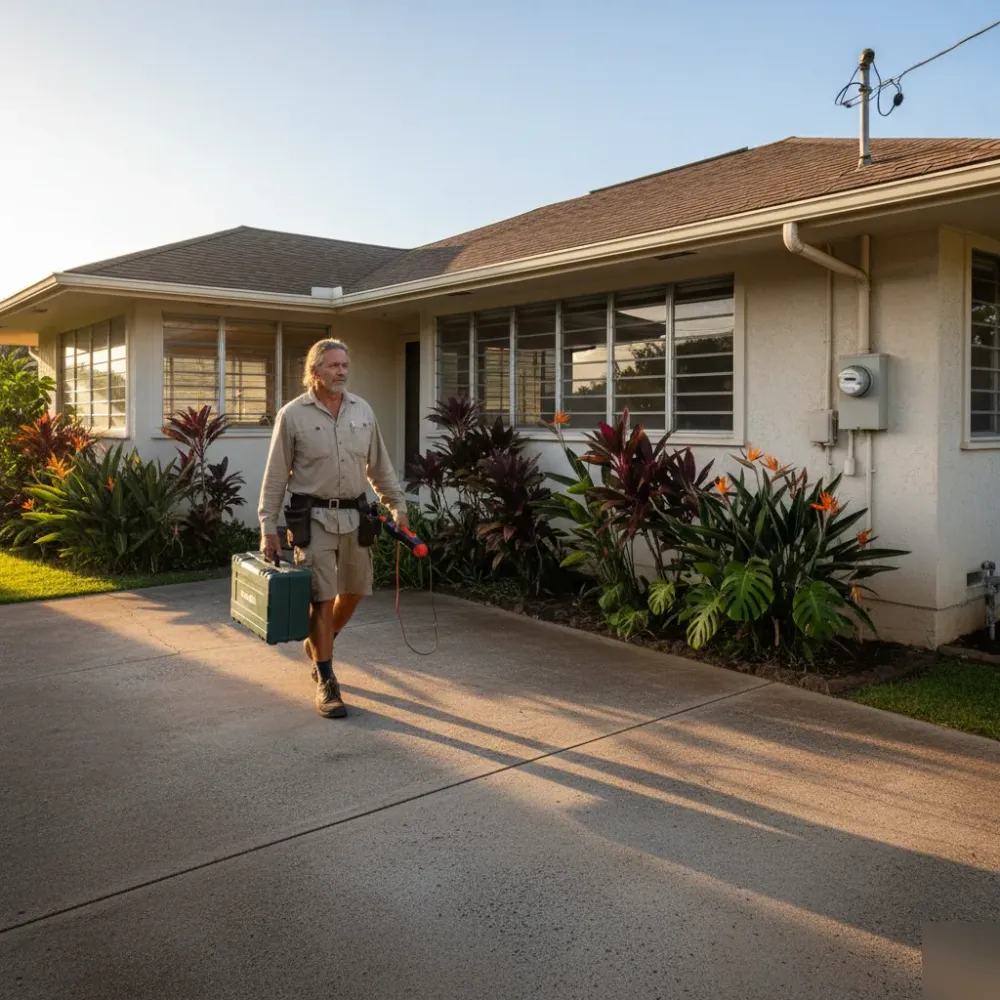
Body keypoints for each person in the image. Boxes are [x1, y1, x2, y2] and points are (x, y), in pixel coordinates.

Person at [258, 338, 407, 718]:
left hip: (357, 517)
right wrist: (267, 527)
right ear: (314, 371)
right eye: (333, 366)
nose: (341, 371)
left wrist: (397, 505)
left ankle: (320, 641)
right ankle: (326, 679)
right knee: (322, 597)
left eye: (344, 365)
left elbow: (379, 466)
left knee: (356, 590)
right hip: (313, 519)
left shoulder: (362, 411)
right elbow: (276, 476)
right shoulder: (293, 415)